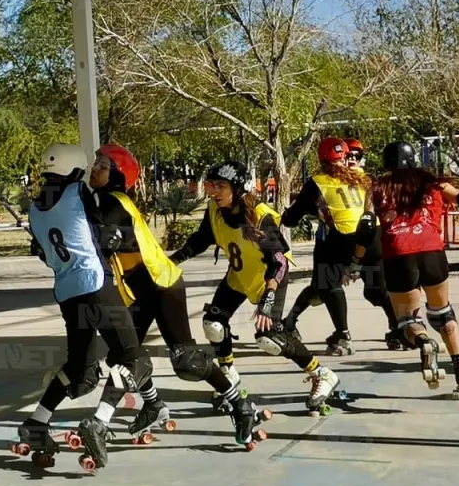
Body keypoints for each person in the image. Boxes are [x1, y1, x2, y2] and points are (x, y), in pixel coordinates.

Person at [90, 144, 268, 449]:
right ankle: (152, 405)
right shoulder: (104, 201)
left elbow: (100, 240)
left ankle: (240, 406)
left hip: (162, 287)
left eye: (102, 166)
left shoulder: (114, 203)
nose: (94, 169)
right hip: (143, 290)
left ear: (118, 175)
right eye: (95, 164)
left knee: (186, 361)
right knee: (124, 355)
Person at [14, 144, 156, 472]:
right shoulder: (78, 191)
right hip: (96, 286)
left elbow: (46, 253)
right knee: (134, 360)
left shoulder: (35, 210)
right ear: (75, 169)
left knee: (80, 369)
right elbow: (104, 226)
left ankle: (38, 422)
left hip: (67, 293)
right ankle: (99, 422)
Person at [170, 161, 341, 416]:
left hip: (270, 278)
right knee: (213, 324)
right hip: (239, 276)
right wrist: (171, 261)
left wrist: (267, 302)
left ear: (237, 188)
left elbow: (279, 262)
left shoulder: (261, 217)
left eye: (221, 186)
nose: (214, 192)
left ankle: (322, 374)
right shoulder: (215, 209)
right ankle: (228, 375)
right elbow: (202, 239)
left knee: (268, 339)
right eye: (212, 185)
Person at [371, 142, 459, 400]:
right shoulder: (433, 182)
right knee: (442, 311)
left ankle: (425, 342)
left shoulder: (378, 186)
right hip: (431, 252)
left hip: (398, 253)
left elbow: (366, 223)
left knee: (409, 321)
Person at [280, 137, 371, 356]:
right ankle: (289, 322)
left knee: (328, 285)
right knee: (319, 286)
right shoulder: (361, 176)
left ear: (322, 158)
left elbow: (292, 217)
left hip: (339, 238)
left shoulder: (319, 180)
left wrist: (286, 216)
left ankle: (343, 334)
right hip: (368, 238)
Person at [342, 137, 398, 346]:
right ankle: (290, 322)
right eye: (348, 156)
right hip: (342, 238)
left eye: (357, 156)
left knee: (375, 290)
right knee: (322, 284)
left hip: (369, 237)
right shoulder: (330, 180)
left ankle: (398, 326)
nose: (352, 160)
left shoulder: (369, 181)